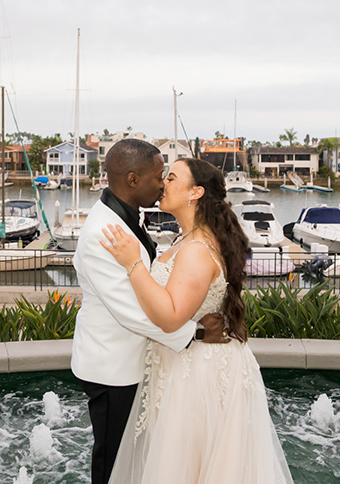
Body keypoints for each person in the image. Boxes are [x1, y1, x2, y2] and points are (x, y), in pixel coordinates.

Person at [100, 157, 294, 484]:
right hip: (184, 364)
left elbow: (172, 316)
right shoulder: (186, 241)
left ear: (195, 192)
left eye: (172, 178)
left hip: (197, 377)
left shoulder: (196, 249)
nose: (163, 184)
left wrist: (133, 264)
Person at [72, 139, 226, 484]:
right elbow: (132, 313)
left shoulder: (127, 219)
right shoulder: (103, 232)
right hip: (113, 368)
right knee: (112, 462)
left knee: (139, 458)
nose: (162, 184)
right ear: (132, 180)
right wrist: (197, 333)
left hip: (137, 361)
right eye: (159, 176)